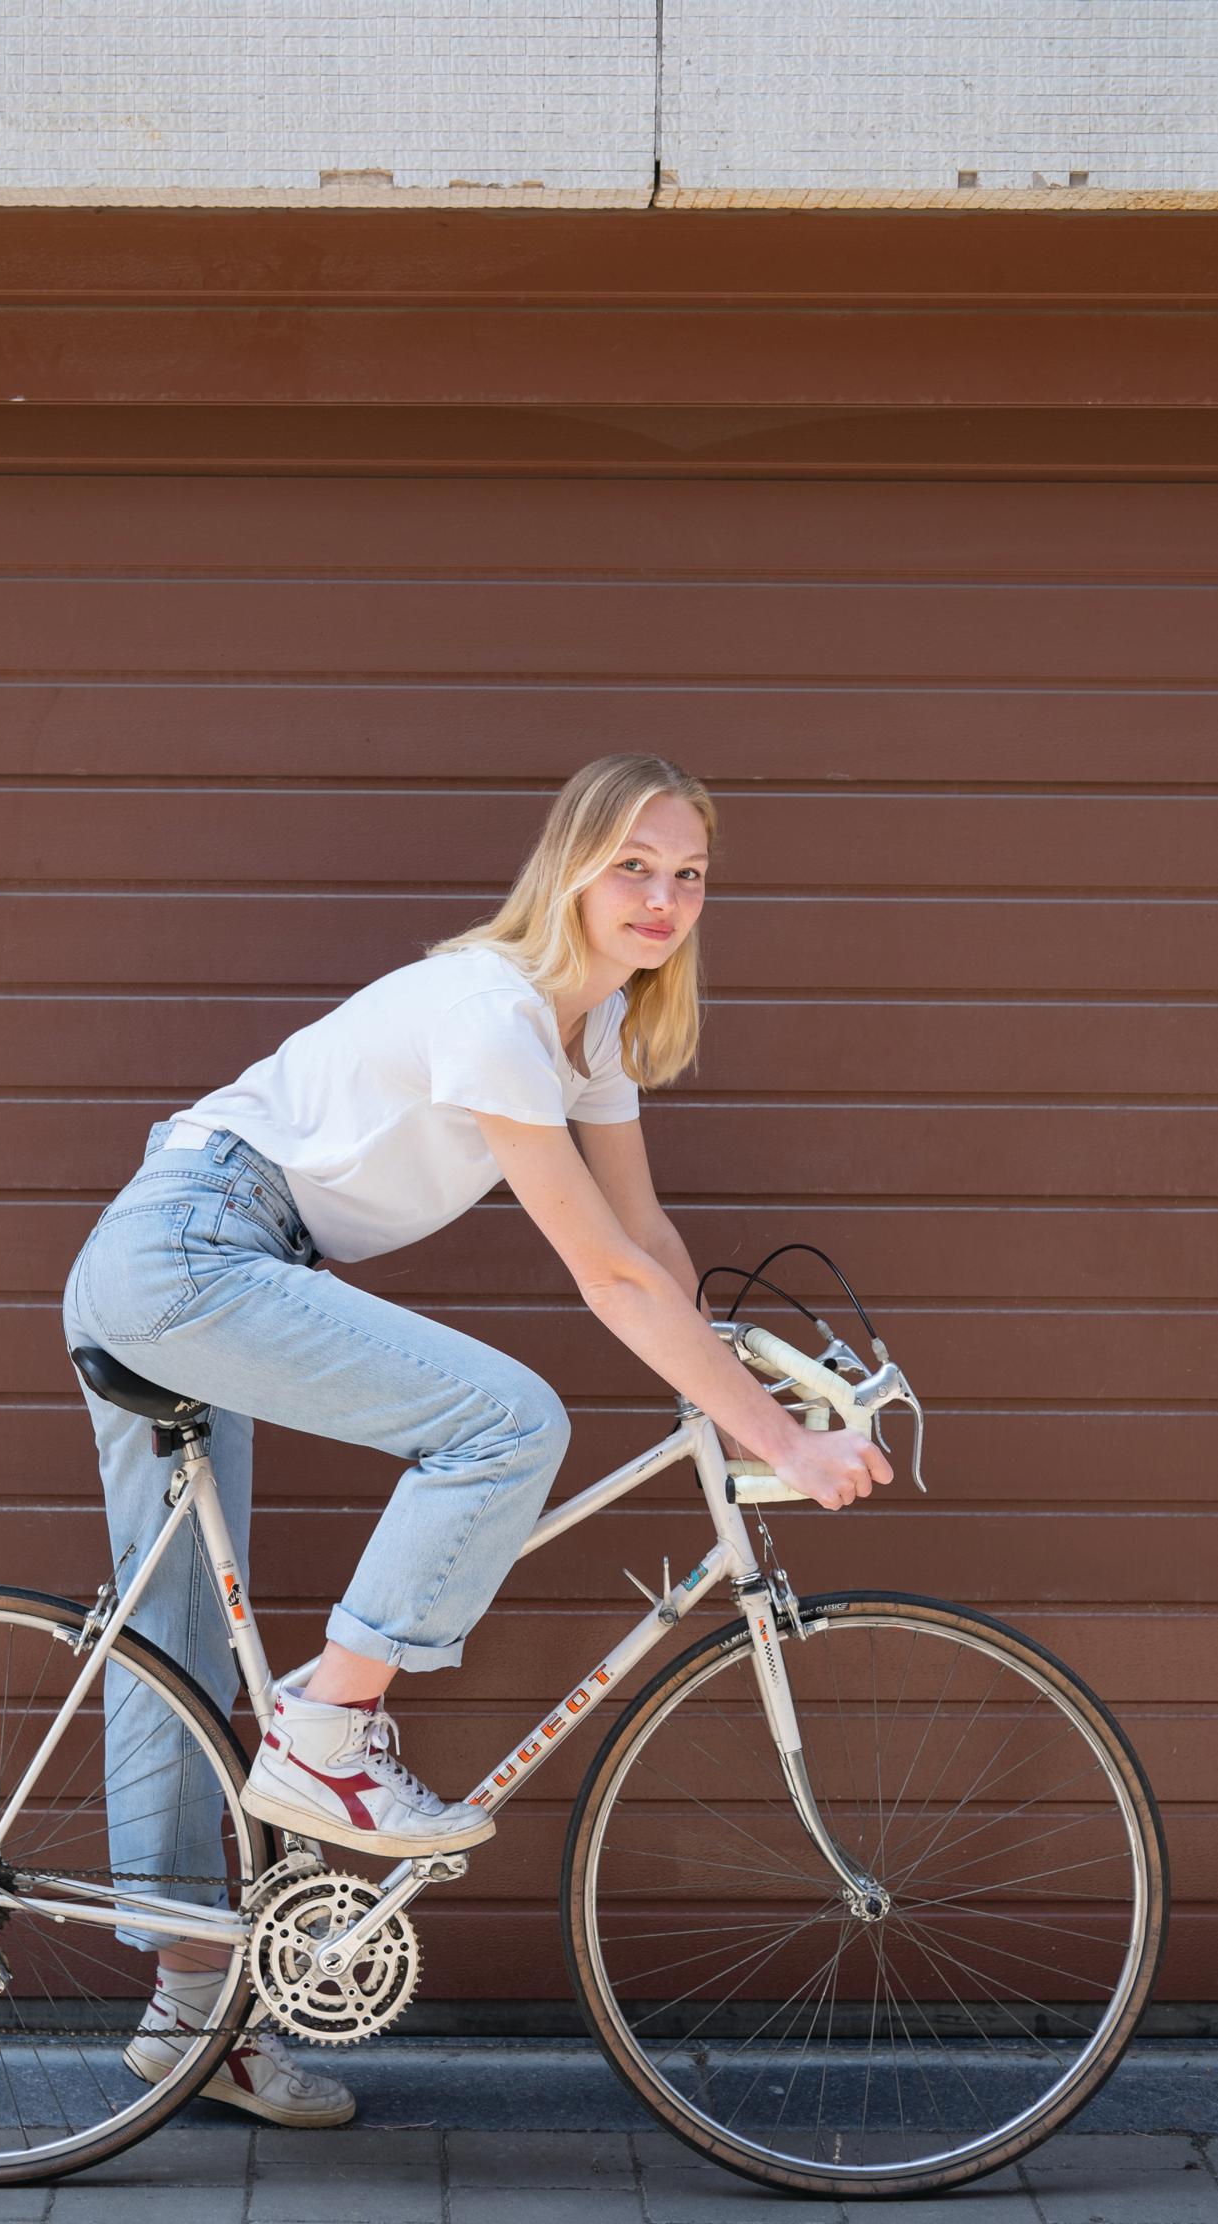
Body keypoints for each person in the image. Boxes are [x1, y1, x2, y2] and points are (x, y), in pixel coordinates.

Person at [60, 750, 893, 2126]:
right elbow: (604, 1280)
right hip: (190, 1248)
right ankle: (329, 1727)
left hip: (210, 1254)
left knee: (176, 1640)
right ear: (567, 863)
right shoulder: (493, 1010)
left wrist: (751, 1385)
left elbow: (647, 1246)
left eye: (687, 875)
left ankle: (192, 2010)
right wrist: (776, 1446)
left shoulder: (591, 1036)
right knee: (506, 1419)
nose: (662, 897)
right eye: (633, 863)